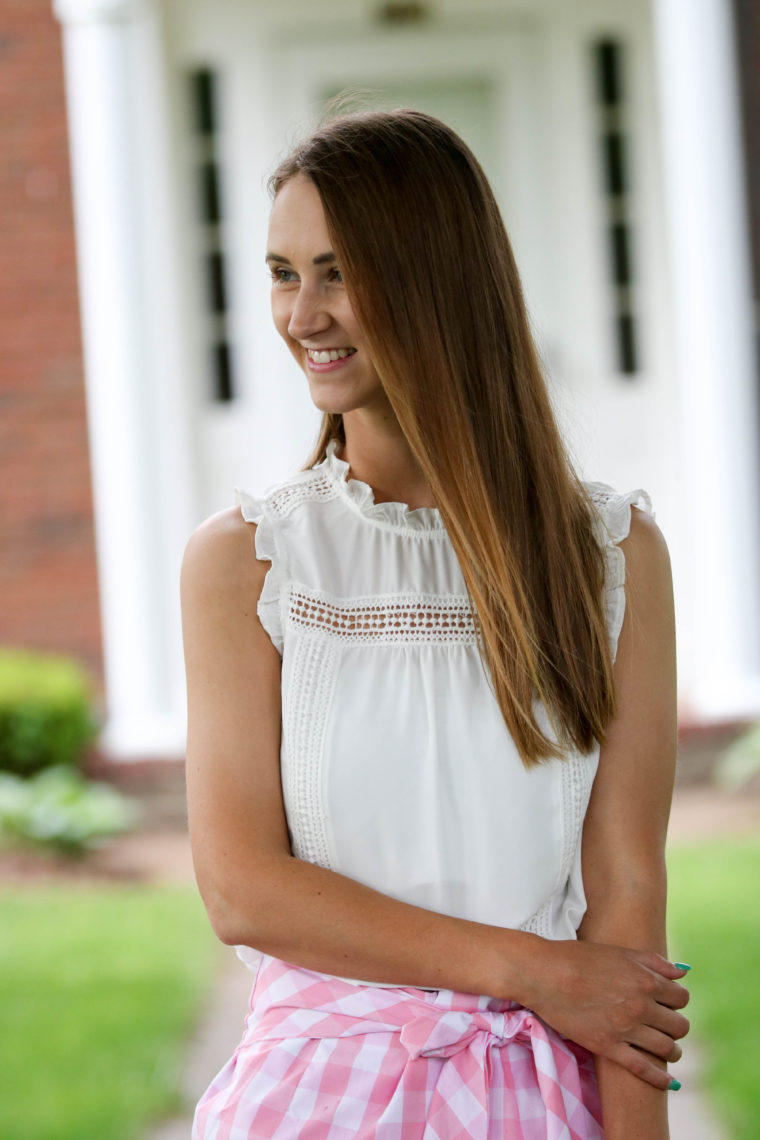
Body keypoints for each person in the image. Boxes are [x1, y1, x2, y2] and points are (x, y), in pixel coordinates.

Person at [181, 108, 690, 1139]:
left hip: (536, 1103)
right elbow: (246, 891)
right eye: (283, 273)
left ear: (438, 279)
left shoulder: (611, 554)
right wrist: (535, 970)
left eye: (338, 272)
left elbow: (627, 899)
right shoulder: (250, 563)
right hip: (315, 1102)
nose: (302, 315)